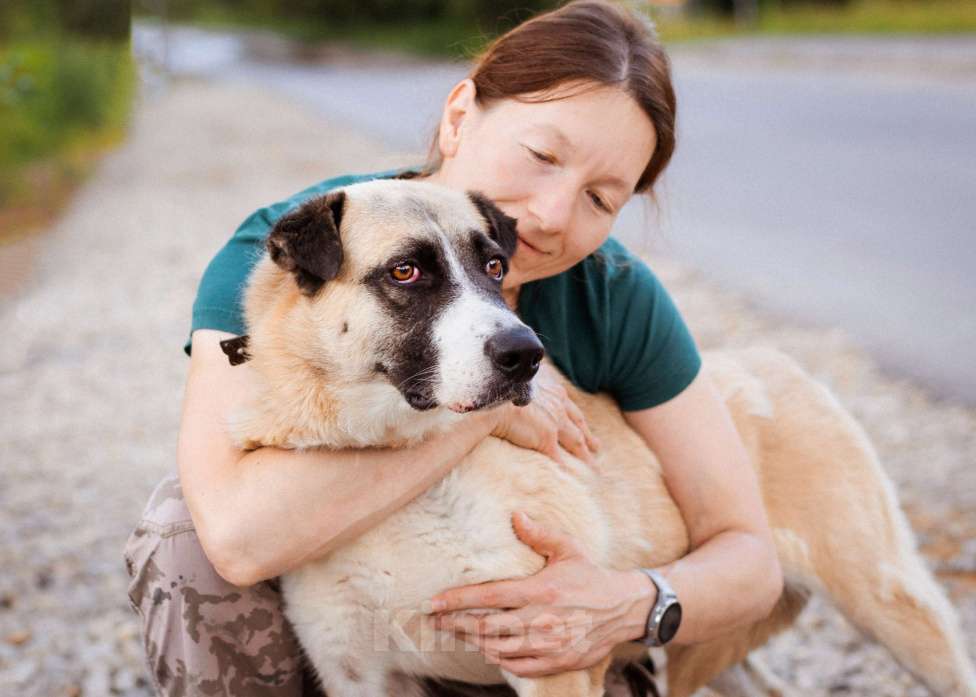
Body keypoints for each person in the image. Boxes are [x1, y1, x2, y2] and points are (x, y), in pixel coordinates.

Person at [124, 1, 783, 695]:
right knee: (183, 530)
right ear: (460, 116)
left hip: (542, 647)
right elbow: (234, 535)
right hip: (346, 632)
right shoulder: (285, 256)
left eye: (601, 198)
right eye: (542, 156)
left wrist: (628, 604)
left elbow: (747, 553)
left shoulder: (611, 291)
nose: (551, 215)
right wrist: (483, 411)